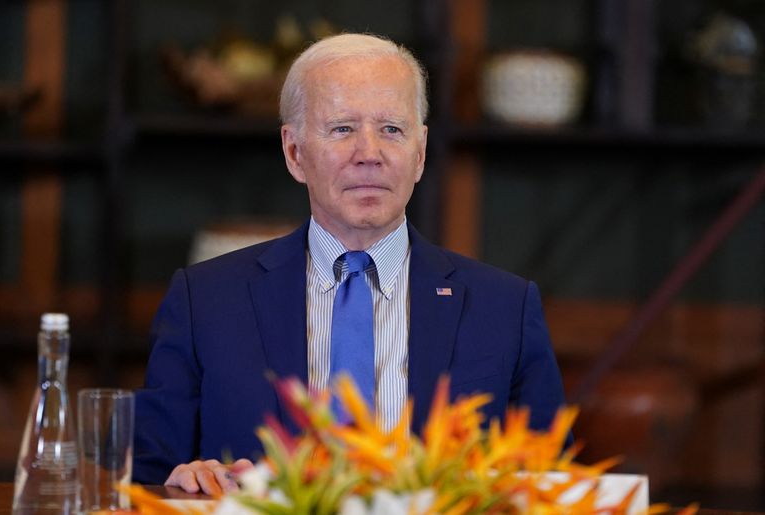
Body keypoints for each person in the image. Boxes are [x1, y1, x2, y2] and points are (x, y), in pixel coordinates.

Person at [133, 32, 568, 495]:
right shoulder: (206, 302)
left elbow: (551, 485)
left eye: (391, 130)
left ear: (419, 153)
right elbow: (148, 473)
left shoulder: (504, 308)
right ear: (295, 152)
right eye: (342, 128)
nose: (370, 154)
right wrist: (181, 480)